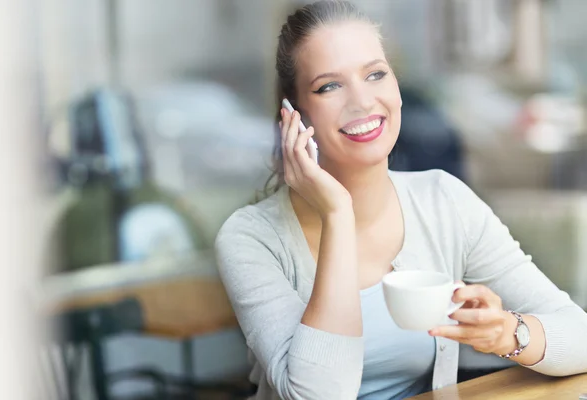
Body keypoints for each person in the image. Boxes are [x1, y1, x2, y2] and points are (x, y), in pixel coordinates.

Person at [214, 2, 587, 399]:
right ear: (294, 115)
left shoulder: (442, 200)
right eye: (329, 86)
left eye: (375, 74)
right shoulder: (249, 239)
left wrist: (507, 332)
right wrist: (337, 214)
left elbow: (579, 335)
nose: (362, 101)